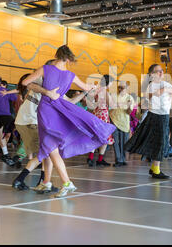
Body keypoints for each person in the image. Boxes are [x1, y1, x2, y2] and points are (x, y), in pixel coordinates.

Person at [22, 45, 116, 198]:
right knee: (48, 147)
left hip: (46, 110)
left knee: (50, 148)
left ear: (56, 55)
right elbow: (88, 88)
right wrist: (97, 87)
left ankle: (66, 183)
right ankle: (46, 182)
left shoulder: (45, 69)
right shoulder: (71, 75)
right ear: (68, 59)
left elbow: (25, 83)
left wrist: (45, 91)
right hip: (58, 109)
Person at [126, 64, 172, 179]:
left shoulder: (161, 85)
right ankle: (156, 170)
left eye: (162, 71)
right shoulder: (153, 86)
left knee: (159, 141)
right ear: (152, 74)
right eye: (158, 71)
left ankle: (154, 168)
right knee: (160, 142)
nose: (161, 73)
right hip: (159, 116)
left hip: (160, 115)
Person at [87, 74, 115, 167]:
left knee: (97, 136)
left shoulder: (97, 90)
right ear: (108, 82)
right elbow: (112, 104)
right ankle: (98, 159)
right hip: (103, 114)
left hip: (96, 113)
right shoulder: (105, 91)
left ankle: (92, 158)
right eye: (111, 82)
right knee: (104, 136)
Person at [109, 81, 134, 167]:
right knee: (116, 141)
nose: (120, 89)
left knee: (124, 142)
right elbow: (111, 107)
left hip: (124, 122)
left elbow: (129, 112)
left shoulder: (130, 97)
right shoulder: (113, 96)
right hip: (114, 120)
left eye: (122, 88)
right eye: (119, 87)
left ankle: (123, 159)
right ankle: (118, 160)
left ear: (127, 88)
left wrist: (129, 106)